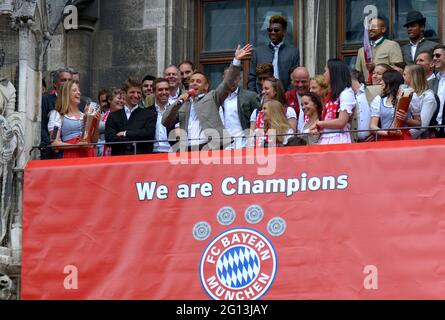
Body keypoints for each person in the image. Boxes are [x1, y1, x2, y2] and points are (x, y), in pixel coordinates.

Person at [163, 44, 253, 151]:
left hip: (209, 147)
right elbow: (165, 121)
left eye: (198, 81)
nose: (194, 83)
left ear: (206, 87)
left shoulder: (212, 97)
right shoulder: (183, 103)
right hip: (187, 149)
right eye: (192, 81)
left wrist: (236, 61)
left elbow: (227, 84)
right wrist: (179, 101)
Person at [248, 15, 299, 92]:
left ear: (284, 31)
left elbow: (294, 79)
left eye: (276, 30)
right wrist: (256, 97)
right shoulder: (258, 52)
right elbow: (252, 78)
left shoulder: (293, 53)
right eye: (270, 30)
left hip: (284, 98)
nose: (272, 32)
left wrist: (286, 97)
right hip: (262, 98)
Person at [105, 78, 157, 155]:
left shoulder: (149, 114)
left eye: (138, 92)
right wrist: (135, 139)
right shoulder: (113, 116)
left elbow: (148, 134)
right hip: (119, 160)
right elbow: (109, 139)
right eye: (132, 92)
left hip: (141, 160)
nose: (136, 95)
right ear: (124, 94)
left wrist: (125, 133)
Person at [310, 59, 356, 145]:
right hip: (327, 137)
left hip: (338, 138)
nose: (324, 74)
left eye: (325, 71)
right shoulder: (332, 95)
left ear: (333, 73)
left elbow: (341, 121)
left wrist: (319, 124)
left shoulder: (346, 93)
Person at [48, 80, 97, 158]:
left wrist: (96, 123)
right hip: (71, 155)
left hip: (88, 154)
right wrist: (77, 146)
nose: (79, 93)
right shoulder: (57, 115)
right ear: (66, 94)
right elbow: (54, 143)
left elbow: (94, 142)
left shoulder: (85, 115)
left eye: (79, 90)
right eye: (74, 90)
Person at [219, 67, 259, 149]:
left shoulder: (250, 96)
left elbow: (259, 117)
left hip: (244, 143)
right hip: (225, 145)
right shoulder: (219, 98)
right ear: (223, 78)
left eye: (235, 78)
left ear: (239, 79)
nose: (232, 81)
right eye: (229, 78)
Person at [356, 17, 403, 84]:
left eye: (374, 26)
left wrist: (377, 67)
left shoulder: (392, 45)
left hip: (386, 87)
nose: (370, 29)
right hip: (368, 90)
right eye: (369, 27)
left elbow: (399, 71)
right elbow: (358, 73)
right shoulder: (361, 50)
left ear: (383, 29)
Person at [369, 70, 413, 140]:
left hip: (404, 138)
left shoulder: (408, 97)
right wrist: (387, 133)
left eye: (383, 80)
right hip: (386, 139)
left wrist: (407, 120)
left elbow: (419, 123)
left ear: (390, 82)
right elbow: (373, 126)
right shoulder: (379, 100)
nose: (380, 82)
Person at [41, 68, 72, 159]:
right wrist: (51, 145)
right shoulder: (46, 100)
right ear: (55, 84)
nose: (67, 83)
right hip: (54, 153)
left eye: (69, 80)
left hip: (74, 150)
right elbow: (41, 126)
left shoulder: (79, 102)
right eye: (63, 80)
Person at [403, 64, 437, 139]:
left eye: (405, 74)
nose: (403, 77)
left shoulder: (428, 96)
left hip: (421, 140)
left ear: (413, 76)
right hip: (404, 134)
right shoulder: (406, 91)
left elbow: (423, 127)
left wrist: (405, 137)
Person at [100, 88, 125, 156]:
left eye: (123, 99)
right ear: (110, 100)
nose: (122, 101)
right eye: (119, 98)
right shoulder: (103, 116)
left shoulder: (126, 116)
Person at [285, 66, 310, 133]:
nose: (300, 85)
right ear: (292, 82)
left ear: (309, 80)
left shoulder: (315, 96)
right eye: (297, 82)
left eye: (303, 81)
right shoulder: (287, 96)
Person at [428, 45, 445, 137]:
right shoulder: (430, 83)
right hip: (435, 130)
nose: (434, 58)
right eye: (433, 56)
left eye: (438, 55)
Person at [351, 70, 372, 142]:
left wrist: (375, 133)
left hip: (372, 142)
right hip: (353, 143)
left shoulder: (373, 92)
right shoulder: (345, 96)